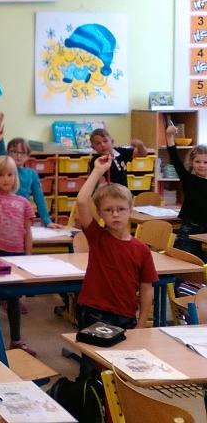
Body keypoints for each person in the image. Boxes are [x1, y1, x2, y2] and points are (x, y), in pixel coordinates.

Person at [75, 154, 157, 374]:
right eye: (109, 210)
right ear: (100, 213)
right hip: (95, 312)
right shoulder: (97, 236)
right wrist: (98, 171)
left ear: (130, 210)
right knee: (91, 368)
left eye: (121, 209)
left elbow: (147, 288)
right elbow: (82, 201)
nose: (115, 215)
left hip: (126, 314)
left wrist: (141, 323)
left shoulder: (141, 250)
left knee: (121, 366)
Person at [0, 128, 36, 355]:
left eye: (10, 175)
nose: (6, 179)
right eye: (1, 175)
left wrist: (28, 258)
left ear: (16, 176)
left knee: (13, 300)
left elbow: (27, 233)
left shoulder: (23, 202)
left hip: (17, 256)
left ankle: (16, 340)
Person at [0, 112, 61, 228]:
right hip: (2, 213)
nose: (18, 155)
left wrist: (47, 221)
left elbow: (39, 197)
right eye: (15, 152)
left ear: (28, 156)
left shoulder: (31, 174)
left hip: (20, 215)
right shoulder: (4, 169)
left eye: (23, 153)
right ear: (8, 153)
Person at [166, 123, 207, 260]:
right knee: (187, 262)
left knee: (204, 265)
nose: (201, 166)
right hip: (190, 227)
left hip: (206, 231)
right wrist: (169, 136)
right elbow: (175, 158)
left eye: (205, 162)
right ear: (191, 162)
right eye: (197, 162)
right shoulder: (188, 178)